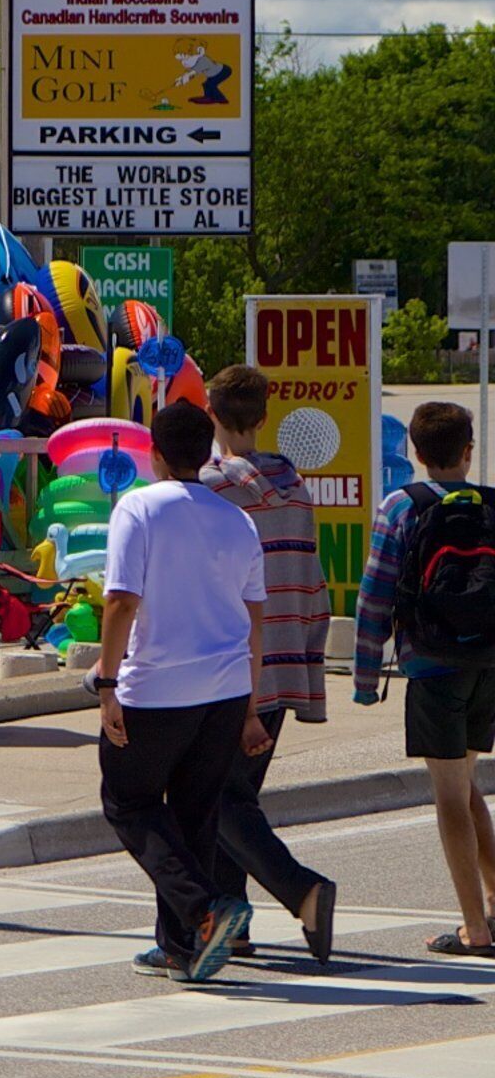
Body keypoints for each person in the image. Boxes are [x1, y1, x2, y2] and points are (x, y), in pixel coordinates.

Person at [95, 400, 267, 982]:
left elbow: (120, 601)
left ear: (155, 453)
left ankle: (203, 911)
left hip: (157, 686)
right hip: (224, 687)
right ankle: (180, 948)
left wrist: (106, 682)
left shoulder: (138, 506)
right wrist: (249, 703)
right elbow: (254, 615)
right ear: (209, 454)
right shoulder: (236, 518)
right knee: (193, 814)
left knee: (129, 801)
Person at [200, 364, 338, 963]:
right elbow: (311, 582)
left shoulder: (209, 491)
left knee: (217, 801)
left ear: (212, 415)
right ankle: (234, 925)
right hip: (283, 664)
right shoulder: (295, 486)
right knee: (236, 797)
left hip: (232, 668)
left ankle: (302, 892)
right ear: (262, 419)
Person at [353, 400, 495, 956]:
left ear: (414, 452)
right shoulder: (490, 504)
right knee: (467, 785)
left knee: (450, 798)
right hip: (486, 663)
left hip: (432, 665)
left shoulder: (401, 506)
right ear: (468, 450)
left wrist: (366, 679)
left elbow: (375, 597)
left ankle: (475, 930)